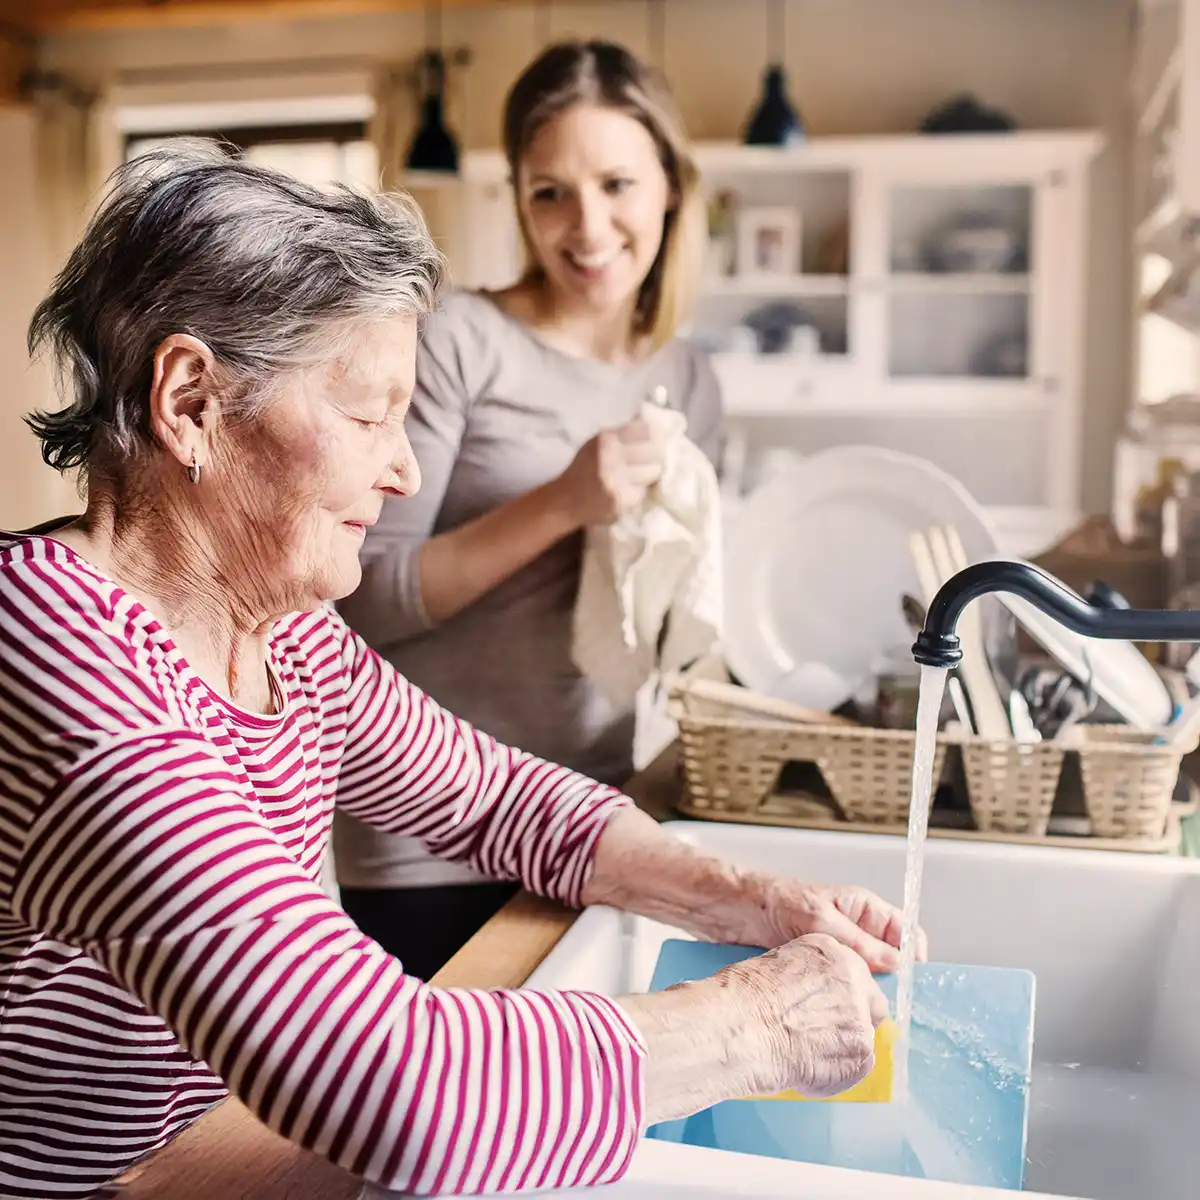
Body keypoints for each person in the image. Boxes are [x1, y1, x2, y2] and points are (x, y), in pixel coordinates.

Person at [0, 140, 923, 1200]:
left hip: (214, 1149)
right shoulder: (60, 660)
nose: (402, 470)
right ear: (193, 401)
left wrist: (751, 900)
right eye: (367, 415)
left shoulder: (281, 632)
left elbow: (497, 801)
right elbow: (398, 1087)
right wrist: (760, 1024)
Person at [335, 39, 724, 977]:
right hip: (428, 836)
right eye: (549, 191)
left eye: (618, 184)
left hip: (597, 811)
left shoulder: (687, 376)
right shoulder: (458, 340)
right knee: (440, 1120)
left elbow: (677, 599)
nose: (586, 227)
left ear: (670, 187)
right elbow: (363, 599)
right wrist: (564, 502)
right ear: (518, 199)